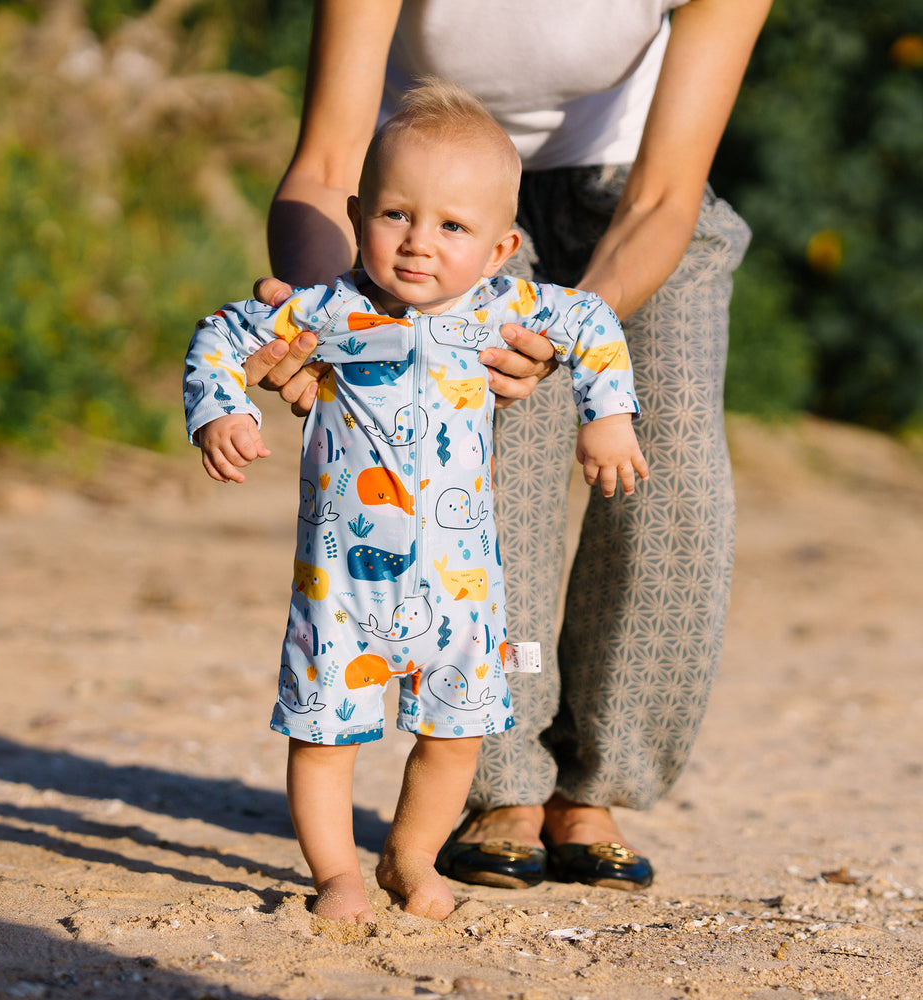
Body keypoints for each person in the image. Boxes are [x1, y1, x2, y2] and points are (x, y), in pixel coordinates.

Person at [242, 0, 771, 891]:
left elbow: (664, 195)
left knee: (665, 457)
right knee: (500, 446)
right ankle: (502, 787)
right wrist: (324, 319)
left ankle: (594, 785)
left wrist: (560, 342)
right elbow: (331, 161)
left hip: (631, 191)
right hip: (434, 189)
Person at [184, 80, 648, 923]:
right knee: (324, 738)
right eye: (396, 214)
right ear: (359, 212)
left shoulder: (508, 310)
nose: (418, 244)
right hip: (342, 587)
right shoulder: (329, 310)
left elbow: (592, 324)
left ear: (503, 246)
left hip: (460, 588)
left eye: (453, 227)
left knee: (456, 736)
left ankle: (409, 856)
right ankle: (337, 876)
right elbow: (221, 334)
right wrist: (220, 407)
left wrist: (607, 417)